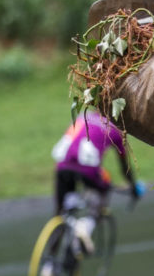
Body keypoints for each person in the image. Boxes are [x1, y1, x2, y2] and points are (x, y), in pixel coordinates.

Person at [48, 107, 144, 258]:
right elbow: (124, 167)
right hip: (88, 169)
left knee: (60, 212)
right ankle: (86, 226)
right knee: (103, 188)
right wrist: (132, 187)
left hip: (62, 166)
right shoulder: (115, 129)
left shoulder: (81, 117)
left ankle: (50, 263)